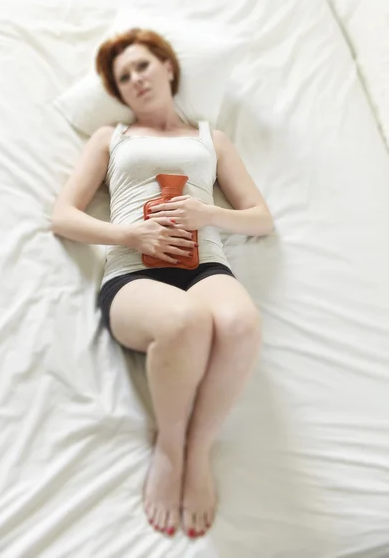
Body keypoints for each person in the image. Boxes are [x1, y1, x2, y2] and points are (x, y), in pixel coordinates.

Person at [51, 28, 273, 540]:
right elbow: (64, 215)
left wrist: (206, 213)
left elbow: (260, 218)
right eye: (123, 77)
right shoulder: (111, 138)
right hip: (134, 270)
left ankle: (199, 451)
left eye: (142, 66)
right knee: (185, 321)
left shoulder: (210, 138)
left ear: (169, 68)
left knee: (240, 323)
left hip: (207, 266)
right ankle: (170, 449)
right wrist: (129, 233)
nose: (135, 80)